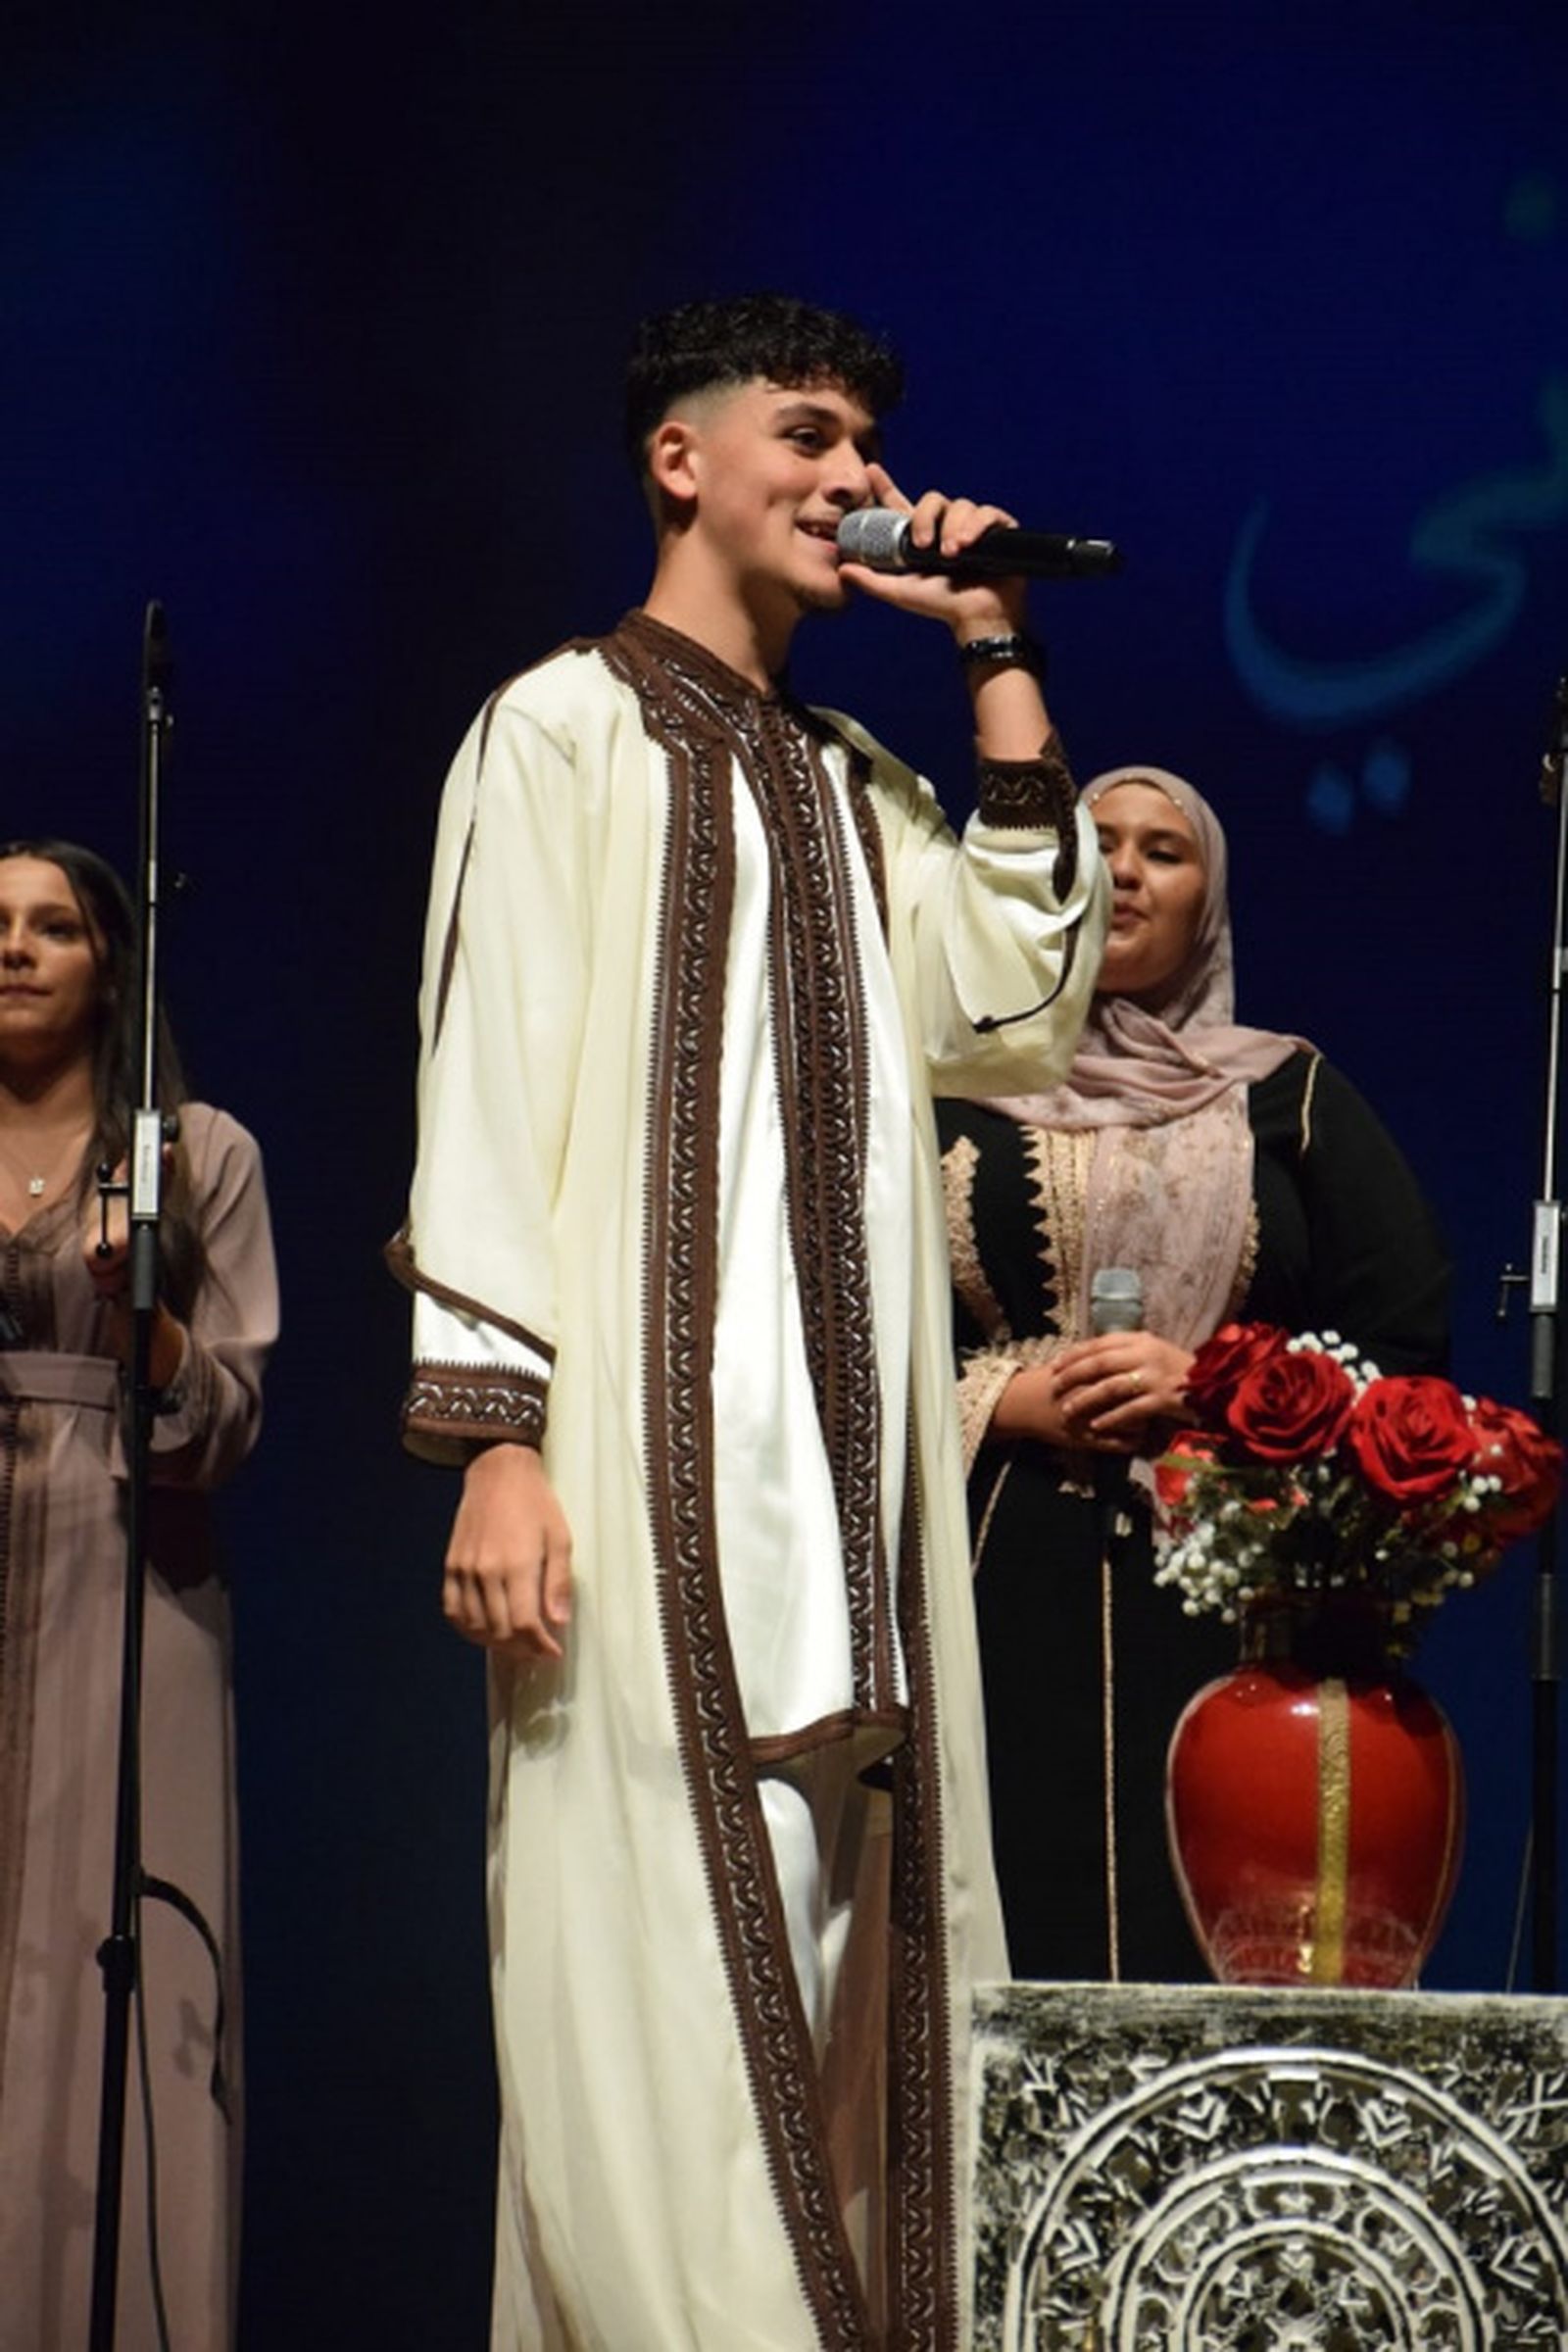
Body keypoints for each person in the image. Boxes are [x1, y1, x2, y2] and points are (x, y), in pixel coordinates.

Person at [391, 293, 1108, 2350]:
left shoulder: (846, 774)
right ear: (676, 461)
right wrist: (495, 1437)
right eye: (807, 436)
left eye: (873, 450)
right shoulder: (561, 728)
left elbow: (1014, 1002)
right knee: (653, 2012)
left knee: (829, 2015)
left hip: (844, 1511)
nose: (857, 480)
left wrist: (985, 645)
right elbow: (489, 1073)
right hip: (638, 1478)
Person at [936, 765, 1450, 1984]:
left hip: (1231, 1591)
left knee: (1206, 1928)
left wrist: (1215, 1385)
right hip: (986, 1572)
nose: (1122, 871)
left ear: (1208, 897)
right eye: (1095, 842)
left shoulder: (1287, 1092)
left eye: (1162, 851)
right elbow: (840, 1323)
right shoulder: (955, 1089)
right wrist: (1008, 1397)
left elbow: (1407, 1347)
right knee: (1000, 1906)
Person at [0, 841, 277, 2351]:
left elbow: (227, 1426)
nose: (19, 949)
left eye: (54, 925)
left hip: (123, 1573)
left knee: (109, 1967)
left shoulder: (193, 1155)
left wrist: (148, 1321)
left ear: (111, 961)